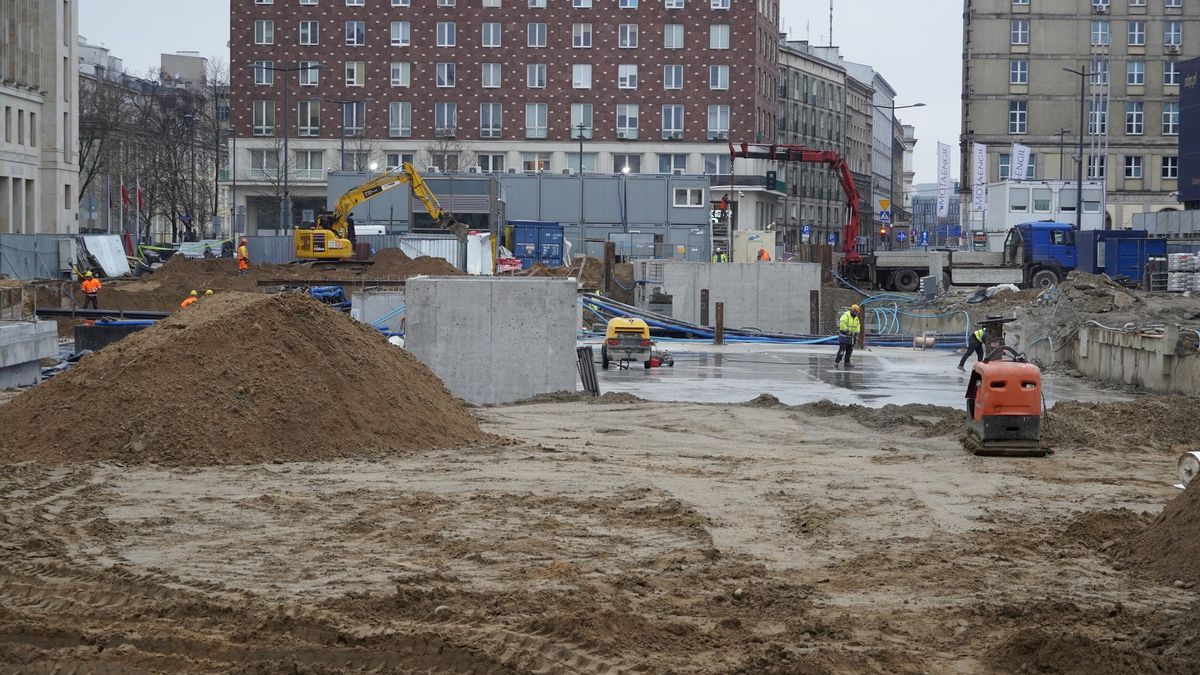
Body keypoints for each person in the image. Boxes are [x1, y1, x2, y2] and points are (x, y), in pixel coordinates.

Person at [834, 304, 862, 368]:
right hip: (844, 337)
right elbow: (842, 324)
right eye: (855, 312)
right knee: (842, 350)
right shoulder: (846, 316)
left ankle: (847, 362)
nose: (856, 313)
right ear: (852, 310)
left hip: (851, 338)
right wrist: (847, 331)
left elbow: (858, 326)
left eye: (857, 312)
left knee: (849, 351)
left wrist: (857, 334)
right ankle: (837, 361)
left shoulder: (856, 318)